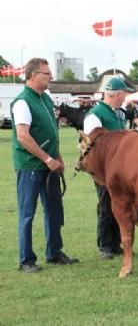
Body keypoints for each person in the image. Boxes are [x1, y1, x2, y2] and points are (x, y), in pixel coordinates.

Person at [10, 58, 79, 273]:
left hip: (49, 165)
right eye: (46, 74)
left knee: (54, 210)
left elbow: (52, 133)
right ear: (33, 76)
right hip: (30, 165)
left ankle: (54, 252)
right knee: (28, 213)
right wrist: (47, 159)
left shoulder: (46, 99)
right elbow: (23, 136)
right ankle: (26, 260)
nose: (51, 77)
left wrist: (56, 157)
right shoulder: (23, 102)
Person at [83, 77, 134, 259]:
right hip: (104, 169)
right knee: (105, 205)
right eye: (124, 94)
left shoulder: (118, 113)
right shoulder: (95, 115)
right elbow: (92, 144)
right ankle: (105, 245)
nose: (125, 98)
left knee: (118, 204)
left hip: (120, 168)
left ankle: (116, 243)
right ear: (118, 95)